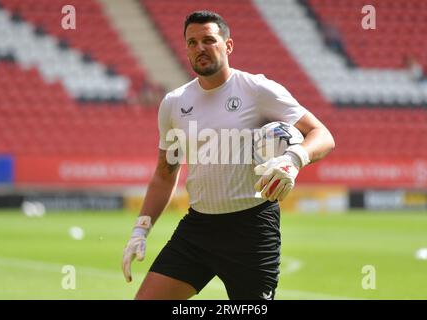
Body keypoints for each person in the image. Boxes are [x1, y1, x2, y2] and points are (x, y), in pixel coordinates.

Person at [122, 10, 335, 300]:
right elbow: (165, 173)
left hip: (252, 229)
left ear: (228, 45)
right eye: (192, 42)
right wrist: (140, 229)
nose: (200, 48)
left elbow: (322, 135)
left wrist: (292, 160)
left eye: (208, 40)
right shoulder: (174, 104)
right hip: (198, 228)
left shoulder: (258, 90)